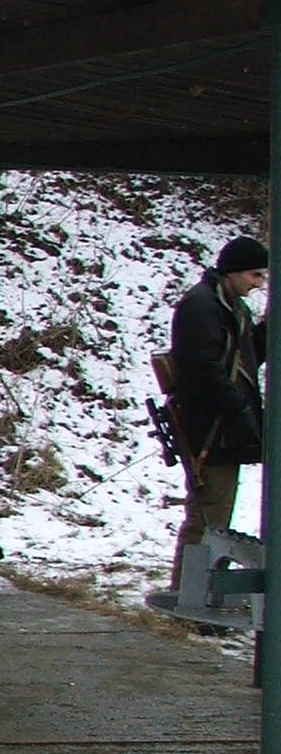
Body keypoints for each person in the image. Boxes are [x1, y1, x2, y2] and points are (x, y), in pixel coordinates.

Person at [168, 235, 269, 586]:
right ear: (233, 271)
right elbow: (203, 371)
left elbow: (244, 358)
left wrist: (266, 330)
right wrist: (238, 407)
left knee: (214, 517)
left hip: (222, 427)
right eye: (254, 275)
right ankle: (188, 595)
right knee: (208, 519)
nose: (258, 283)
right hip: (210, 429)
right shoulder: (202, 306)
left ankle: (196, 593)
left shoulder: (227, 305)